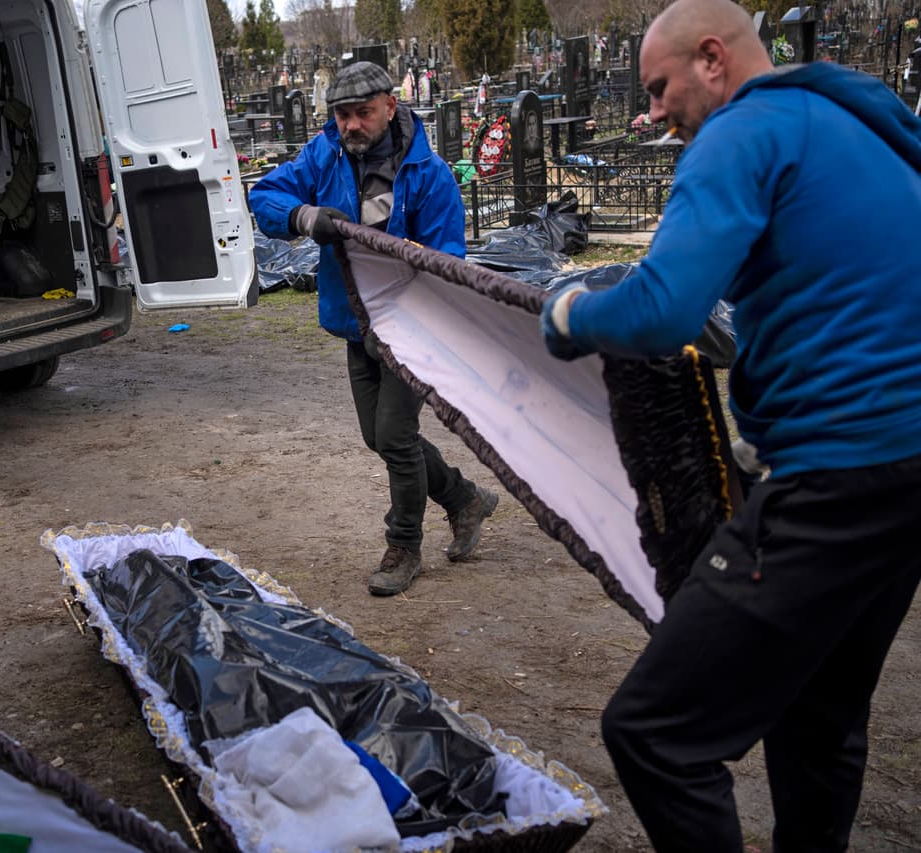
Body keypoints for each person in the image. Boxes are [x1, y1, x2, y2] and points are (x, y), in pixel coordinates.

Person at [540, 0, 921, 849]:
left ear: (713, 59)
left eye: (659, 87)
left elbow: (659, 309)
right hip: (909, 469)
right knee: (820, 710)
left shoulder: (737, 135)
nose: (654, 112)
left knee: (653, 732)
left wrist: (568, 313)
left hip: (835, 475)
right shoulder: (862, 121)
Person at [249, 61, 499, 596]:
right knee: (379, 436)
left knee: (395, 437)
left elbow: (450, 261)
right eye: (342, 115)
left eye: (363, 113)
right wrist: (302, 217)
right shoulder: (325, 153)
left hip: (410, 328)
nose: (351, 125)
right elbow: (265, 196)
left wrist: (418, 260)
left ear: (390, 105)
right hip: (355, 322)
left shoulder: (427, 174)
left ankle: (404, 547)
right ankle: (463, 499)